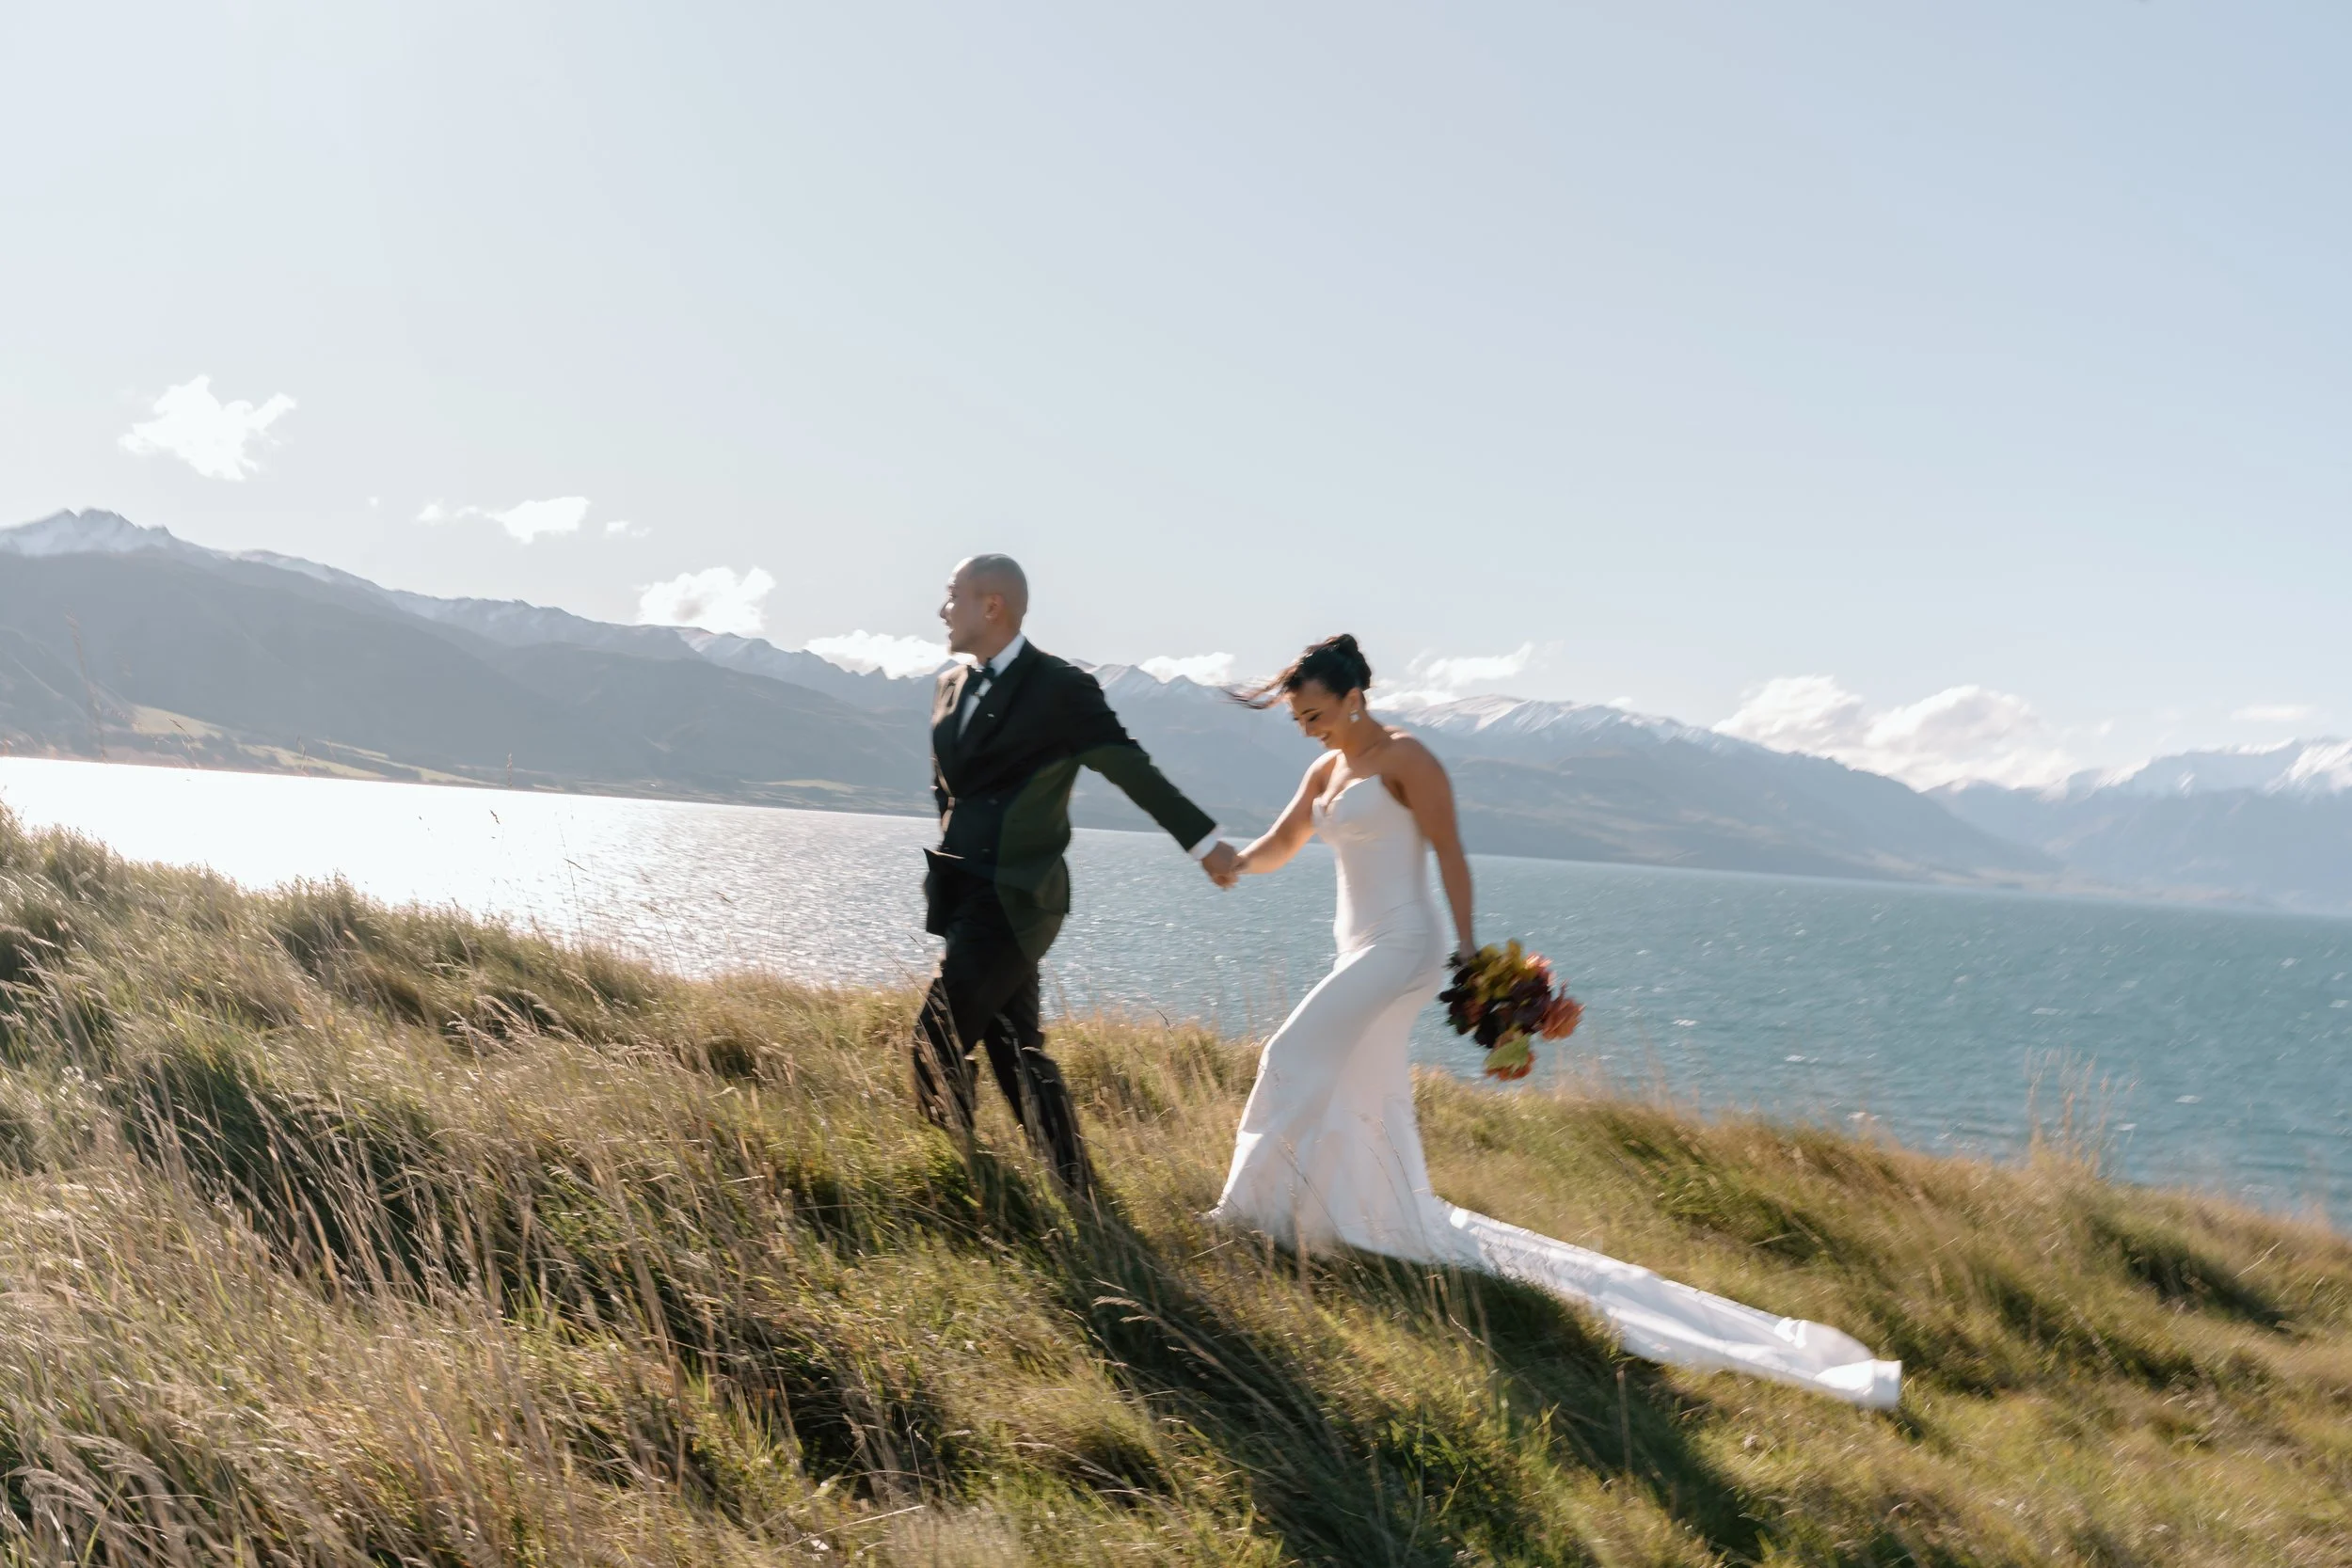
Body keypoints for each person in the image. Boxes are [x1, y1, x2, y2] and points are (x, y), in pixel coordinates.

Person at [1208, 634, 1901, 1409]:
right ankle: (1356, 1220)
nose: (1307, 728)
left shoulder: (1409, 759)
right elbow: (1286, 841)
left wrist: (1475, 960)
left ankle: (1243, 1217)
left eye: (1313, 713)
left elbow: (1452, 856)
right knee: (1357, 1086)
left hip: (1406, 945)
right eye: (1299, 719)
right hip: (1355, 948)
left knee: (1292, 1050)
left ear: (1352, 697)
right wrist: (1234, 862)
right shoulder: (1325, 768)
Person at [915, 554, 1239, 1195]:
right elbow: (949, 789)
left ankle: (955, 1179)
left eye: (952, 596)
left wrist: (1205, 842)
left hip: (1019, 899)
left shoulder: (1060, 688)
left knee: (937, 1036)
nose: (941, 609)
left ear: (993, 605)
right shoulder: (949, 683)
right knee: (1015, 1048)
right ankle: (1079, 1190)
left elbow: (1128, 766)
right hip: (963, 893)